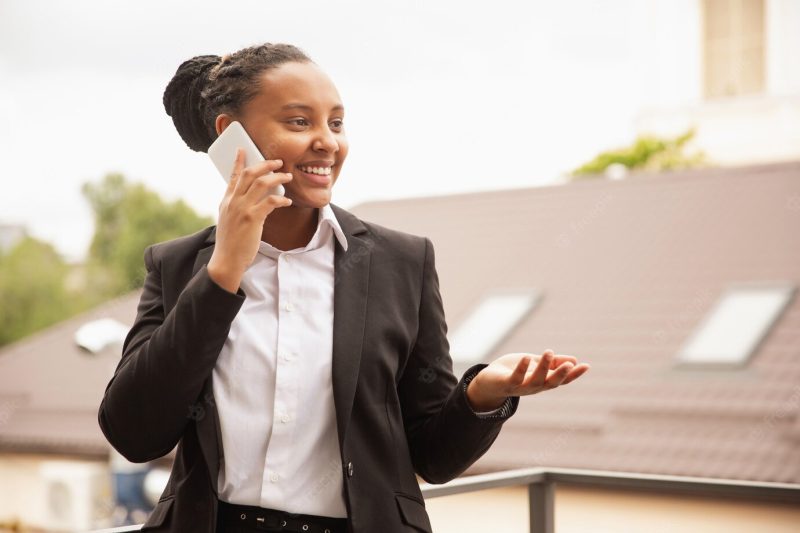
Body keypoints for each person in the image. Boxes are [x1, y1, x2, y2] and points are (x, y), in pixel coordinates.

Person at [97, 42, 589, 533]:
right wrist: (223, 273)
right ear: (232, 136)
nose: (327, 142)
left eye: (335, 123)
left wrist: (481, 394)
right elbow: (134, 434)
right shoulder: (178, 265)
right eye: (298, 122)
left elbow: (433, 458)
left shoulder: (402, 262)